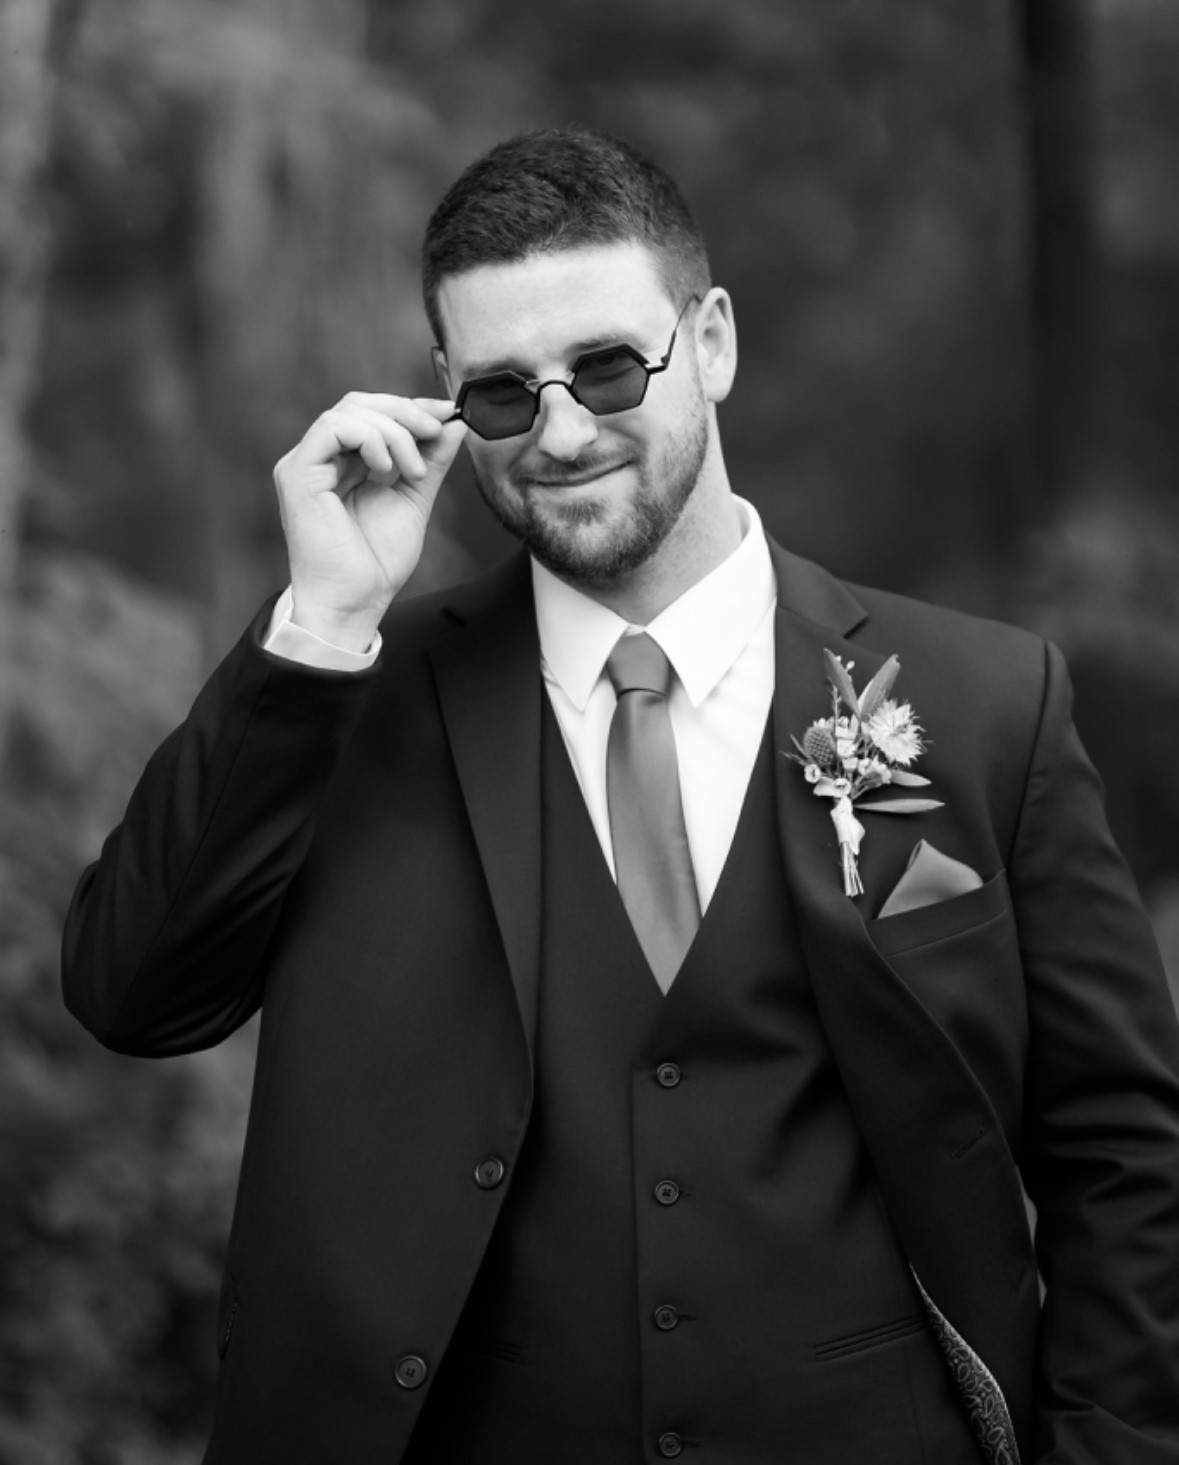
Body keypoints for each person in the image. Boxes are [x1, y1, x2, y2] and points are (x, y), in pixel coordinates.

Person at [62, 127, 1179, 1465]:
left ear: (711, 342)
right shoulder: (341, 693)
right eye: (502, 392)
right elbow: (133, 994)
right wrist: (321, 624)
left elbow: (1124, 1151)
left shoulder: (989, 703)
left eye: (606, 366)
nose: (562, 431)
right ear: (446, 399)